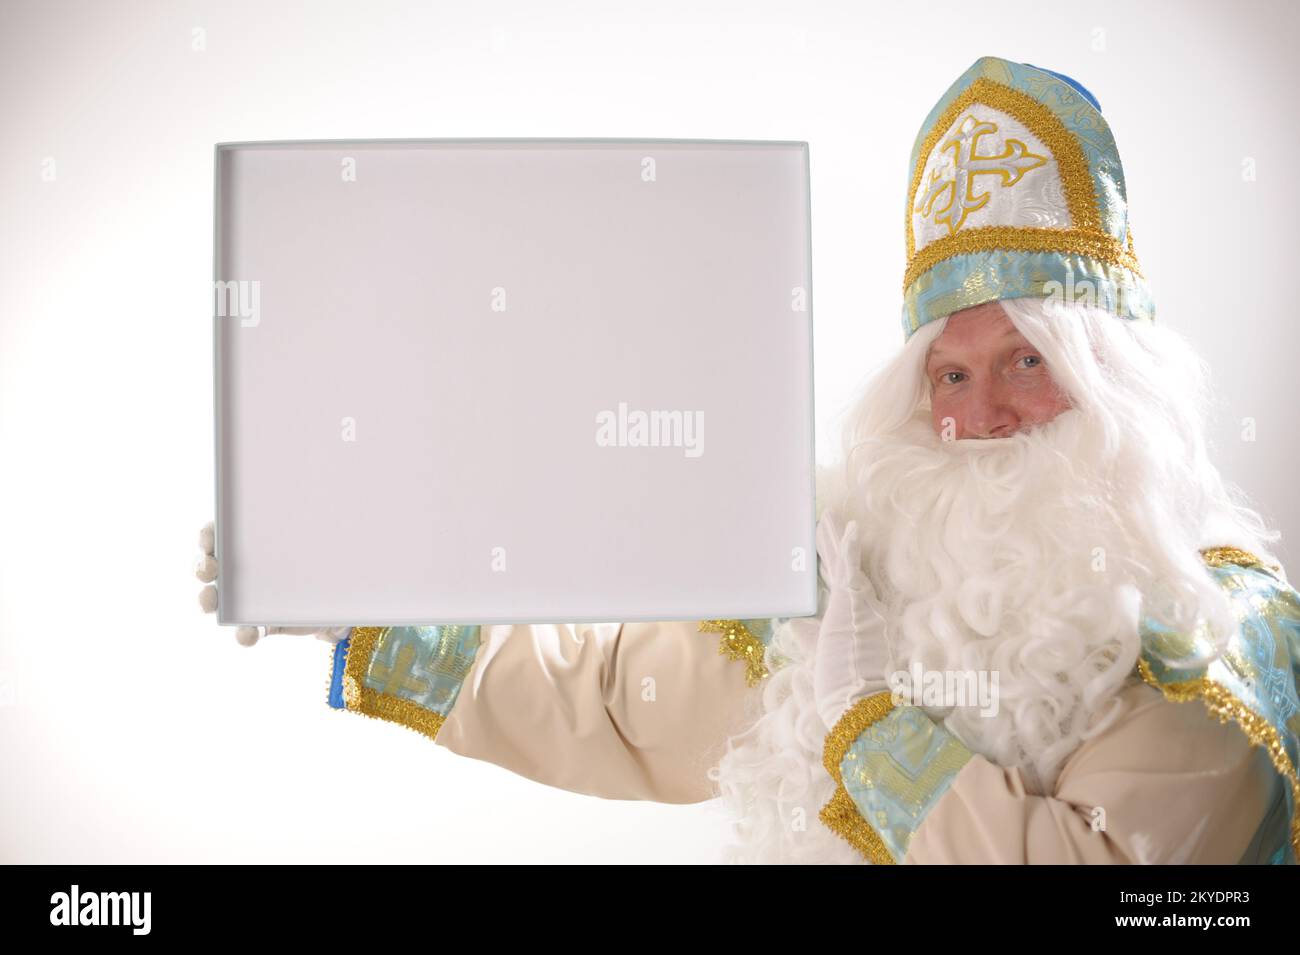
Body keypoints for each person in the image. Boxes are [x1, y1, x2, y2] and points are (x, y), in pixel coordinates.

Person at [196, 55, 1300, 864]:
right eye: (950, 376)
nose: (983, 414)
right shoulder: (866, 565)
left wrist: (868, 721)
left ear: (1112, 382)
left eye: (1024, 360)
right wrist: (366, 606)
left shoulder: (1210, 630)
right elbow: (621, 699)